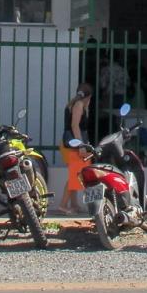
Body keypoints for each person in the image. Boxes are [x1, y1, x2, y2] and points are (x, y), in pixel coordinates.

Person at [57, 80, 93, 216]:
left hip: (71, 144)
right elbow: (75, 126)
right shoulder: (79, 105)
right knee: (76, 175)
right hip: (74, 145)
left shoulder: (74, 103)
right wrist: (81, 145)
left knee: (76, 174)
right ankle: (63, 205)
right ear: (88, 97)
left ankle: (74, 204)